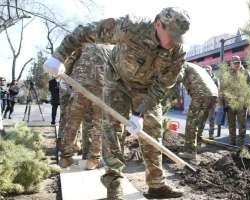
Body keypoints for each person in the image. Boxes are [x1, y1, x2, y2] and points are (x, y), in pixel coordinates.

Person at [43, 7, 190, 199]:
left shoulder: (177, 52)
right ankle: (115, 184)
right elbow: (87, 31)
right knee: (112, 130)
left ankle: (156, 185)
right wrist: (59, 56)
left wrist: (140, 113)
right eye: (170, 35)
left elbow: (163, 85)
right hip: (117, 80)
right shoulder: (131, 27)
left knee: (152, 133)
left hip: (147, 91)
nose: (173, 42)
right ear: (157, 24)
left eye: (178, 38)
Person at [58, 43, 113, 170]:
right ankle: (93, 159)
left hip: (80, 86)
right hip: (102, 88)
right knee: (99, 125)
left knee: (73, 122)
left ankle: (65, 157)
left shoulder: (83, 44)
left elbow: (69, 61)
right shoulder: (113, 49)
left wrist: (66, 78)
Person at [177, 62, 218, 161]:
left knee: (191, 123)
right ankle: (197, 144)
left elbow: (178, 77)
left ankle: (190, 152)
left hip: (201, 94)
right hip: (213, 95)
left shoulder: (181, 64)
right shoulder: (195, 66)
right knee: (200, 122)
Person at [223, 56, 250, 146]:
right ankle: (232, 142)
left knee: (242, 124)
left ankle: (240, 143)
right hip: (230, 103)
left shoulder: (246, 73)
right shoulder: (227, 74)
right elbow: (223, 88)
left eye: (238, 62)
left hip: (242, 102)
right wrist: (224, 103)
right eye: (235, 63)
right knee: (231, 124)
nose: (237, 64)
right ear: (231, 64)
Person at [204, 65, 219, 139]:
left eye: (208, 70)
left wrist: (216, 101)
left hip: (212, 102)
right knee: (201, 118)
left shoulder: (215, 79)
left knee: (211, 119)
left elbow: (218, 90)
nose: (207, 71)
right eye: (205, 70)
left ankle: (211, 134)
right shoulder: (202, 78)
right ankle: (199, 133)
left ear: (211, 71)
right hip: (203, 102)